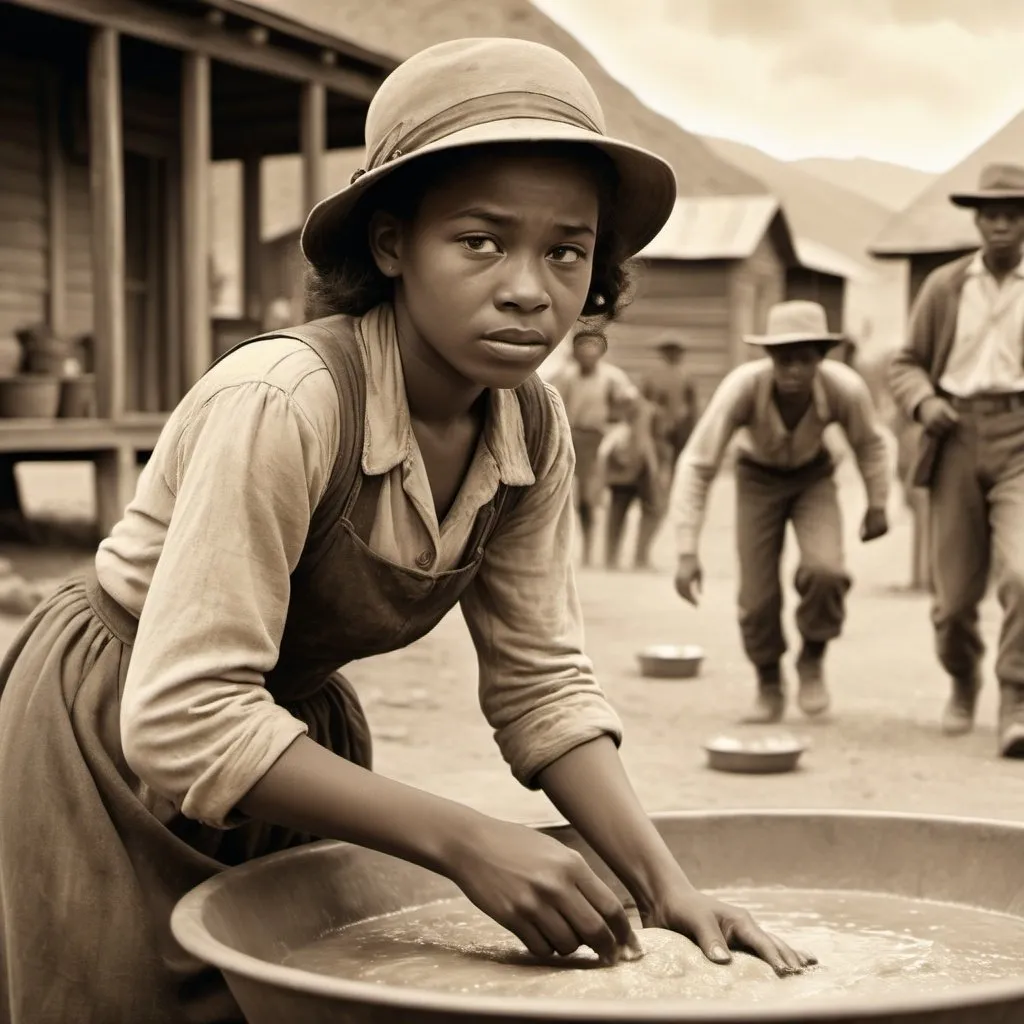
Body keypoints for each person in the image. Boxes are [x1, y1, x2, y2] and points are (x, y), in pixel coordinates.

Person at [0, 37, 813, 1024]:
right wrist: (465, 839)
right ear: (390, 244)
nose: (529, 287)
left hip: (289, 751)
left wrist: (663, 884)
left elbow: (539, 682)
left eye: (567, 250)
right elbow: (183, 713)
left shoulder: (530, 425)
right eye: (480, 241)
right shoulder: (285, 403)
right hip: (114, 736)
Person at [671, 300, 891, 724]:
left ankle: (812, 654)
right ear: (769, 358)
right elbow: (698, 463)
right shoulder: (742, 387)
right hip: (756, 481)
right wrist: (685, 550)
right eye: (783, 360)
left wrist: (877, 502)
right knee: (756, 600)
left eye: (804, 361)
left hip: (814, 478)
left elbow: (872, 444)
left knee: (826, 570)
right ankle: (768, 681)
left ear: (821, 359)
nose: (792, 371)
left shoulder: (844, 388)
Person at [888, 162, 1024, 759]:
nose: (1000, 225)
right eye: (990, 214)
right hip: (955, 439)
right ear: (976, 218)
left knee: (1022, 573)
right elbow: (906, 362)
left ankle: (1016, 699)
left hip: (1020, 436)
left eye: (1012, 215)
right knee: (952, 604)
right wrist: (923, 403)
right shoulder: (944, 287)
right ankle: (963, 677)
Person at [548, 330, 639, 565]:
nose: (588, 355)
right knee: (559, 494)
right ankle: (559, 552)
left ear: (601, 353)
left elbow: (630, 402)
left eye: (593, 350)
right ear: (575, 353)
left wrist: (620, 429)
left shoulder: (612, 378)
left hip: (597, 439)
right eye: (583, 350)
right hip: (568, 437)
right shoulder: (565, 376)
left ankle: (590, 551)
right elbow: (549, 402)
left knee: (590, 497)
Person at [596, 392, 664, 570]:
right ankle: (611, 557)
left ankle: (640, 556)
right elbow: (603, 456)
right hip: (621, 482)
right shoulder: (619, 433)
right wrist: (601, 482)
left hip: (638, 480)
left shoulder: (642, 435)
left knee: (650, 513)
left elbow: (650, 461)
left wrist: (653, 480)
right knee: (616, 518)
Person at [642, 336, 698, 467]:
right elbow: (644, 399)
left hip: (681, 423)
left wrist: (690, 421)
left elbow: (692, 402)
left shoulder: (687, 375)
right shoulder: (652, 375)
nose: (672, 355)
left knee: (680, 459)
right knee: (658, 457)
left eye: (676, 351)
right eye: (669, 351)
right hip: (658, 422)